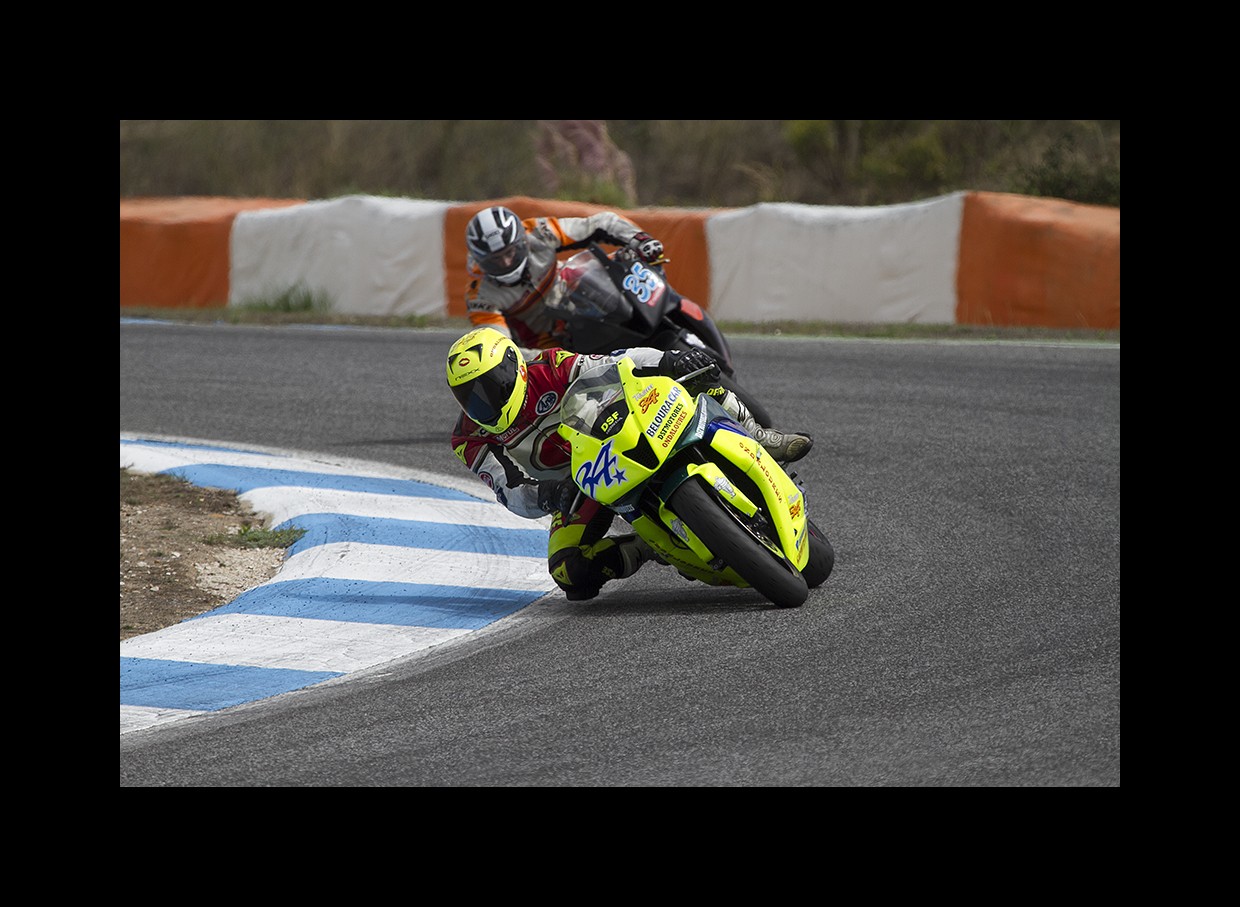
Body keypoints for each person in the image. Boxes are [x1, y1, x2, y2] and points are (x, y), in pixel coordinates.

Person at [446, 327, 813, 602]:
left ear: (514, 367)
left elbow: (614, 362)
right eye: (470, 396)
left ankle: (758, 435)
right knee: (569, 571)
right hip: (577, 485)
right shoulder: (469, 439)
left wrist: (667, 360)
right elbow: (507, 489)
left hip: (614, 430)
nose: (484, 402)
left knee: (693, 380)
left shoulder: (548, 366)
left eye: (491, 385)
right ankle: (649, 547)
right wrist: (549, 495)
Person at [463, 204, 668, 355]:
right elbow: (498, 349)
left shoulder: (537, 231)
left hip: (579, 294)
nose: (507, 262)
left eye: (510, 252)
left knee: (624, 264)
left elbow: (599, 224)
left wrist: (639, 238)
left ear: (521, 241)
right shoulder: (480, 295)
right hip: (546, 343)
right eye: (495, 260)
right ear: (481, 261)